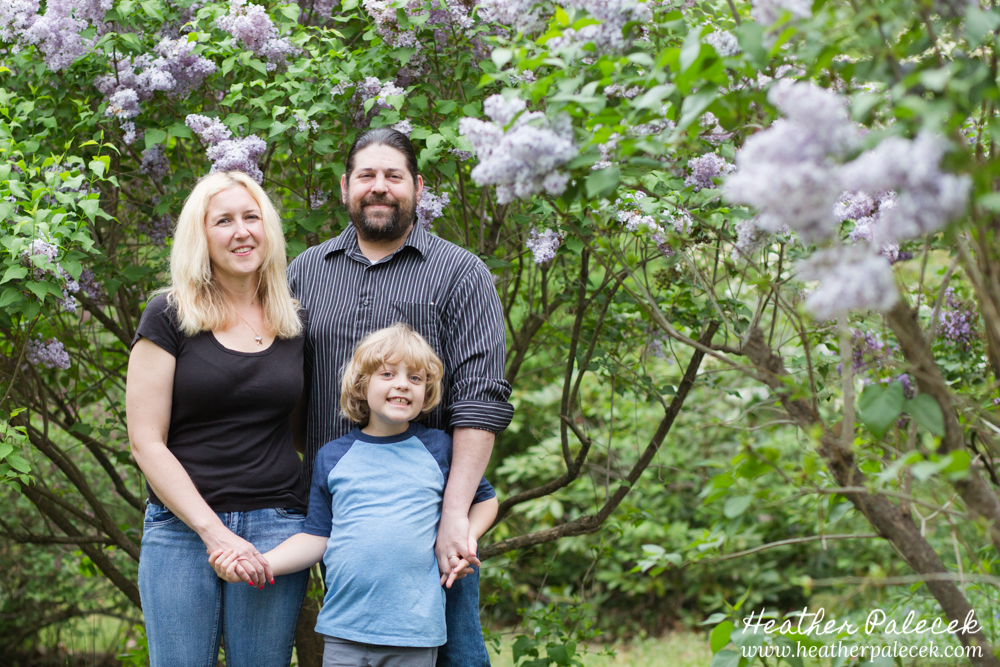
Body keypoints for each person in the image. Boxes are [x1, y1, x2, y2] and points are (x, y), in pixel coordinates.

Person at [286, 127, 513, 666]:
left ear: (417, 186)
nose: (379, 187)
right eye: (367, 176)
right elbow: (285, 387)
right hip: (342, 523)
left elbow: (481, 399)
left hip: (430, 529)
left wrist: (455, 518)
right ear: (345, 187)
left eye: (393, 176)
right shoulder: (304, 274)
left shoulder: (460, 273)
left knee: (452, 655)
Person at [209, 323, 499, 667]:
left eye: (416, 378)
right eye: (388, 374)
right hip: (345, 630)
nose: (403, 384)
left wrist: (464, 542)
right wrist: (260, 564)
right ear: (362, 386)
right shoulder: (332, 457)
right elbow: (317, 538)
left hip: (413, 632)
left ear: (427, 393)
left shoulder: (439, 448)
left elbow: (485, 500)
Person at [125, 171, 310, 666]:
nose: (241, 231)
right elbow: (145, 442)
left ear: (267, 229)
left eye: (252, 217)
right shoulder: (168, 315)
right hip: (181, 530)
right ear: (200, 236)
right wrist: (215, 533)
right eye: (223, 221)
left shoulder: (294, 321)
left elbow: (302, 430)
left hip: (276, 527)